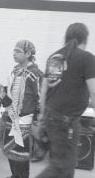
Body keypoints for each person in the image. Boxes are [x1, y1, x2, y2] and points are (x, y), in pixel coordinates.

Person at [35, 23, 95, 178]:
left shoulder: (55, 56)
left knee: (63, 165)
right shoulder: (87, 58)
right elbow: (93, 90)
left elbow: (44, 88)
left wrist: (42, 115)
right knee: (62, 168)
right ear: (85, 39)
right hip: (65, 122)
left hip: (51, 116)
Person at [0, 40, 43, 178]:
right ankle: (14, 175)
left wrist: (38, 123)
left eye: (18, 51)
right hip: (10, 118)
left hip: (24, 122)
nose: (14, 53)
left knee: (21, 156)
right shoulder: (15, 70)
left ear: (28, 54)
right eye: (14, 50)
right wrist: (1, 93)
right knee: (11, 153)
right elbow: (11, 98)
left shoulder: (35, 74)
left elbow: (41, 99)